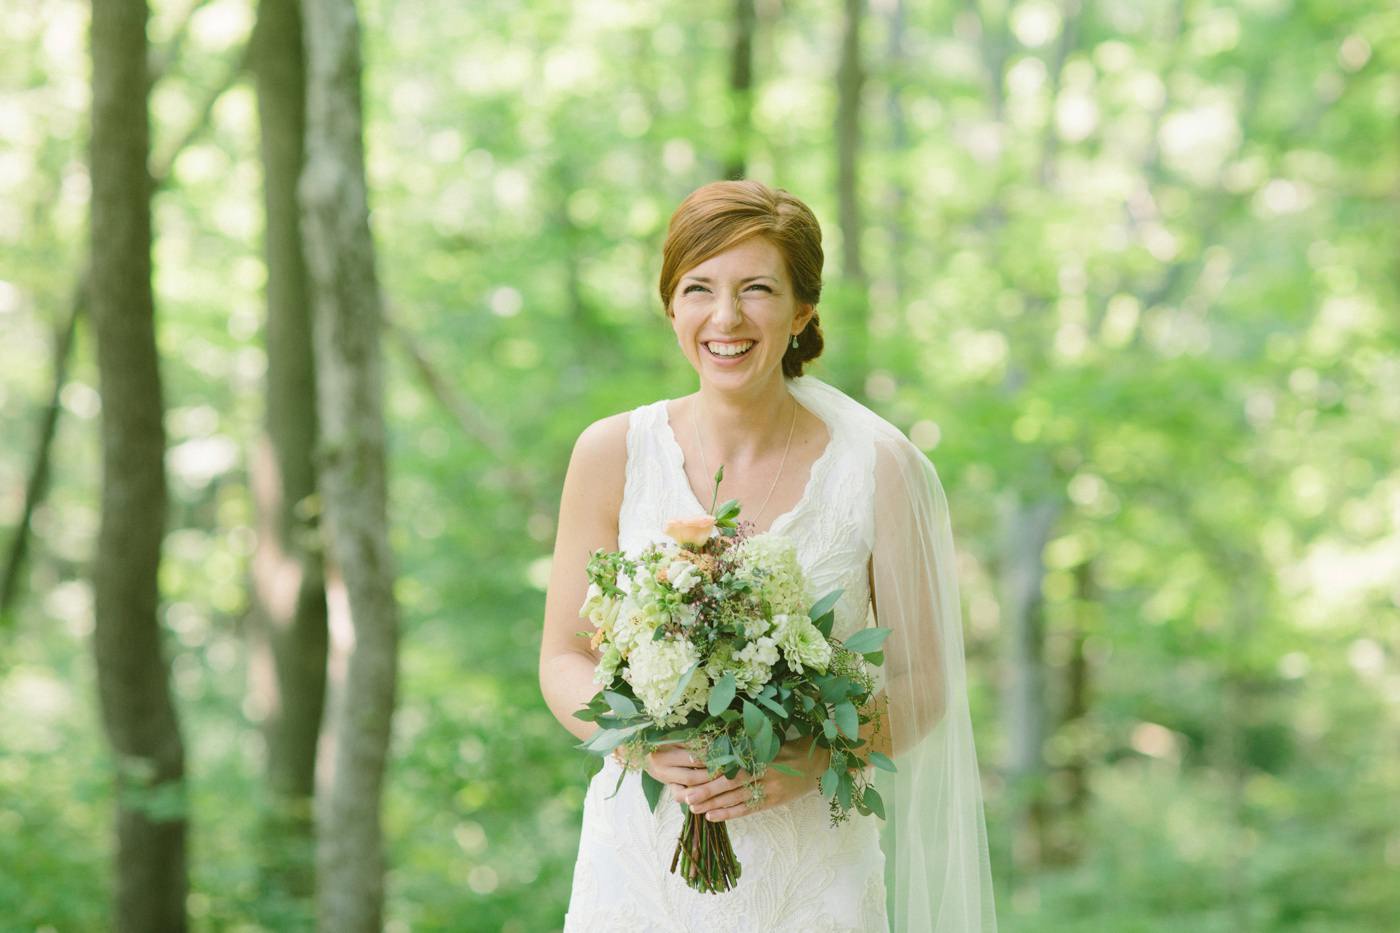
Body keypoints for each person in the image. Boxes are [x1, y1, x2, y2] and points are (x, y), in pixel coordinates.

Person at [538, 179, 997, 932]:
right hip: (641, 861)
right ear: (671, 306)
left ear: (802, 312)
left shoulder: (880, 467)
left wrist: (812, 760)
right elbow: (563, 655)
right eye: (699, 289)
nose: (726, 317)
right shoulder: (610, 453)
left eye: (757, 289)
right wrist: (640, 745)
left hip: (811, 871)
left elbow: (923, 680)